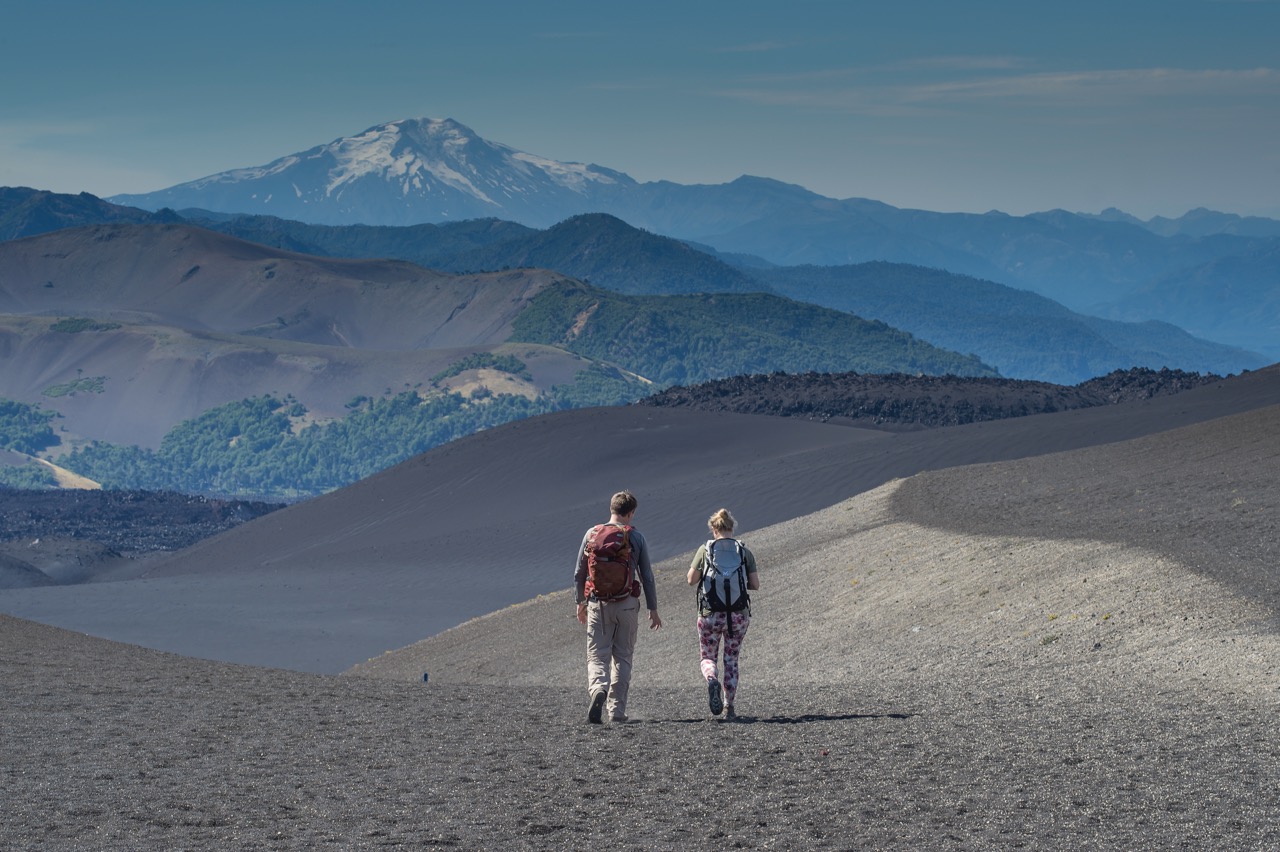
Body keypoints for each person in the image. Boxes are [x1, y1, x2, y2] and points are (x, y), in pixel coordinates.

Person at [575, 490, 662, 724]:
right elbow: (647, 576)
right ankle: (617, 712)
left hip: (597, 605)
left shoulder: (592, 534)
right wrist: (652, 609)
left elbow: (579, 573)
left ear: (611, 509)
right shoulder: (636, 537)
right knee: (622, 657)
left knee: (597, 656)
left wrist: (579, 602)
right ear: (631, 513)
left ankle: (598, 690)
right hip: (626, 605)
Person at [686, 508, 759, 720]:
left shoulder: (705, 550)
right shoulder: (743, 552)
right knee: (731, 659)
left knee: (708, 656)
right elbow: (755, 584)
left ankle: (711, 680)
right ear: (731, 527)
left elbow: (691, 580)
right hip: (738, 616)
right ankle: (729, 707)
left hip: (710, 614)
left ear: (713, 529)